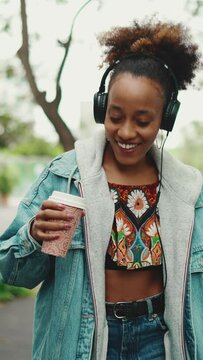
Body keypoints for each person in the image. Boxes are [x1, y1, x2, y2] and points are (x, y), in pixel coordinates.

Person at [0, 17, 203, 360]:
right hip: (87, 341)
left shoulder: (188, 192)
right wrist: (34, 234)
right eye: (115, 115)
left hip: (158, 339)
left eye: (142, 121)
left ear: (165, 118)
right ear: (101, 109)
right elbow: (12, 271)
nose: (125, 132)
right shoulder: (65, 175)